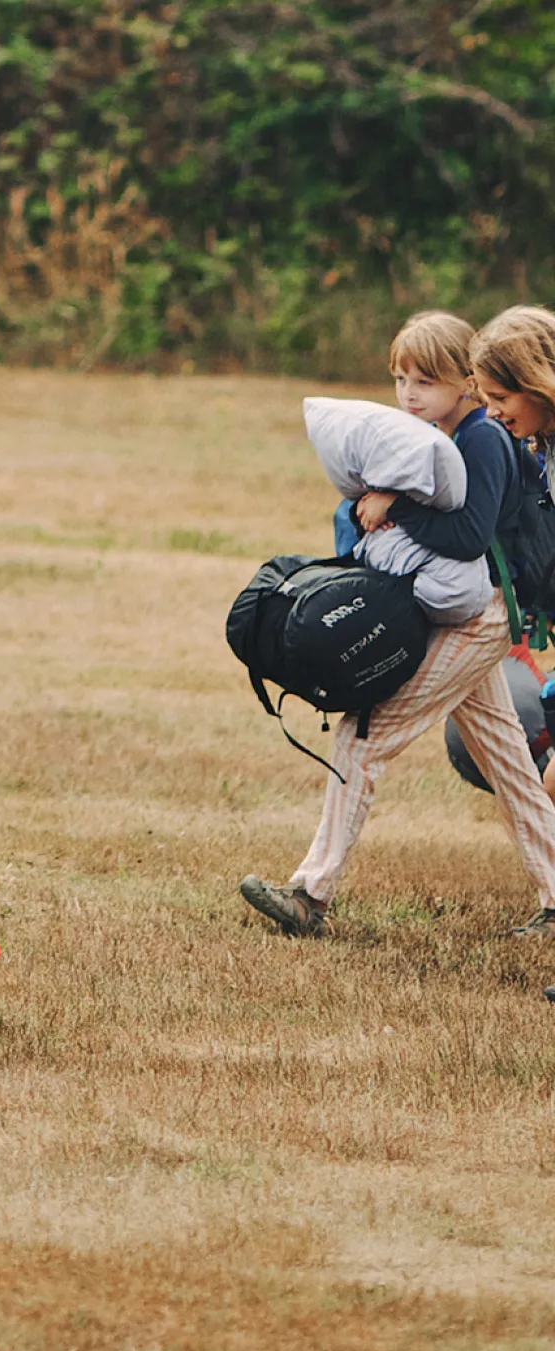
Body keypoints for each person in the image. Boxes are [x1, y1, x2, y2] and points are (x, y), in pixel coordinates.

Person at [239, 309, 555, 939]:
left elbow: (468, 536)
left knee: (365, 731)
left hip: (482, 617)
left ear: (462, 381)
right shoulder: (450, 440)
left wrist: (395, 509)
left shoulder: (483, 439)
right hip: (476, 611)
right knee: (508, 760)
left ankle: (311, 893)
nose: (408, 394)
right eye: (400, 380)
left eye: (425, 380)